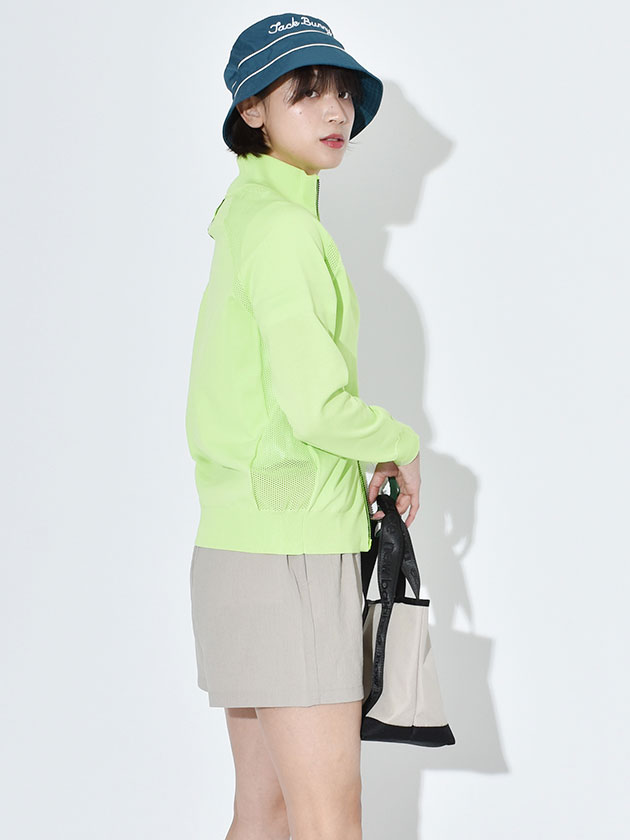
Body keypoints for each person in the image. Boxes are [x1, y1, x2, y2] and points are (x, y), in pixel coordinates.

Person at [185, 13, 421, 840]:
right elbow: (314, 406)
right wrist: (398, 443)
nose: (335, 112)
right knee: (327, 816)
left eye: (344, 94)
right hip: (292, 551)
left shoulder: (247, 218)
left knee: (265, 810)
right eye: (307, 92)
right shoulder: (286, 231)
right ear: (252, 110)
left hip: (233, 546)